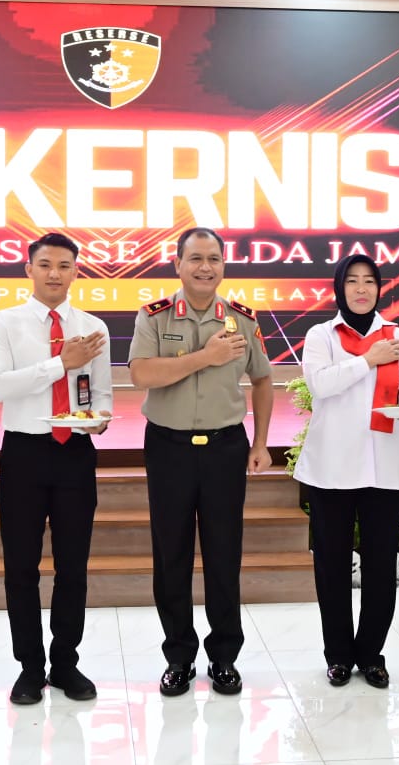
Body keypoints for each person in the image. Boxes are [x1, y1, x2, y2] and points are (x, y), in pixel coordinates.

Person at [128, 227, 274, 697]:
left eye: (213, 258)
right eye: (195, 258)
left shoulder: (242, 320)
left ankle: (224, 657)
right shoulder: (153, 316)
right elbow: (141, 373)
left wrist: (261, 442)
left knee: (223, 554)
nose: (205, 267)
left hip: (224, 448)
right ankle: (179, 657)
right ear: (178, 264)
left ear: (223, 266)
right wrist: (205, 357)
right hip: (168, 448)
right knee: (170, 555)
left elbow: (263, 380)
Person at [0, 232, 113, 706]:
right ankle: (29, 668)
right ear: (29, 270)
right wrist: (61, 363)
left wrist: (98, 419)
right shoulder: (5, 322)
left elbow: (102, 392)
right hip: (24, 452)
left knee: (72, 566)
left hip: (75, 452)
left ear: (76, 271)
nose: (54, 273)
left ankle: (65, 664)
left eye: (63, 265)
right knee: (20, 567)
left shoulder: (92, 326)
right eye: (45, 265)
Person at [293, 254, 399, 689]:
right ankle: (337, 656)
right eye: (352, 281)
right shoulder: (321, 335)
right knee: (331, 566)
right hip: (331, 468)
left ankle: (371, 655)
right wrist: (369, 359)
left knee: (380, 568)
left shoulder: (398, 337)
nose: (361, 289)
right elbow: (321, 385)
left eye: (369, 281)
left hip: (384, 469)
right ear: (339, 288)